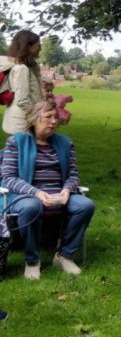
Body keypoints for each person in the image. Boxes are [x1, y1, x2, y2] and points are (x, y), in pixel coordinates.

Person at [1, 101, 95, 280]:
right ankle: (32, 260)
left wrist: (67, 191)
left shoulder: (65, 142)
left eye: (56, 117)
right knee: (30, 207)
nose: (54, 121)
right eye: (48, 117)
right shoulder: (17, 141)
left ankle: (64, 255)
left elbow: (74, 174)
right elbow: (9, 177)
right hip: (26, 195)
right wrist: (36, 192)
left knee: (85, 205)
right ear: (34, 119)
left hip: (60, 195)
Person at [2, 30, 44, 134]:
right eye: (38, 45)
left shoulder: (29, 68)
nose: (41, 48)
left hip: (27, 121)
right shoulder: (22, 69)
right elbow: (22, 101)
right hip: (20, 124)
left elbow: (34, 93)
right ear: (28, 46)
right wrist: (40, 115)